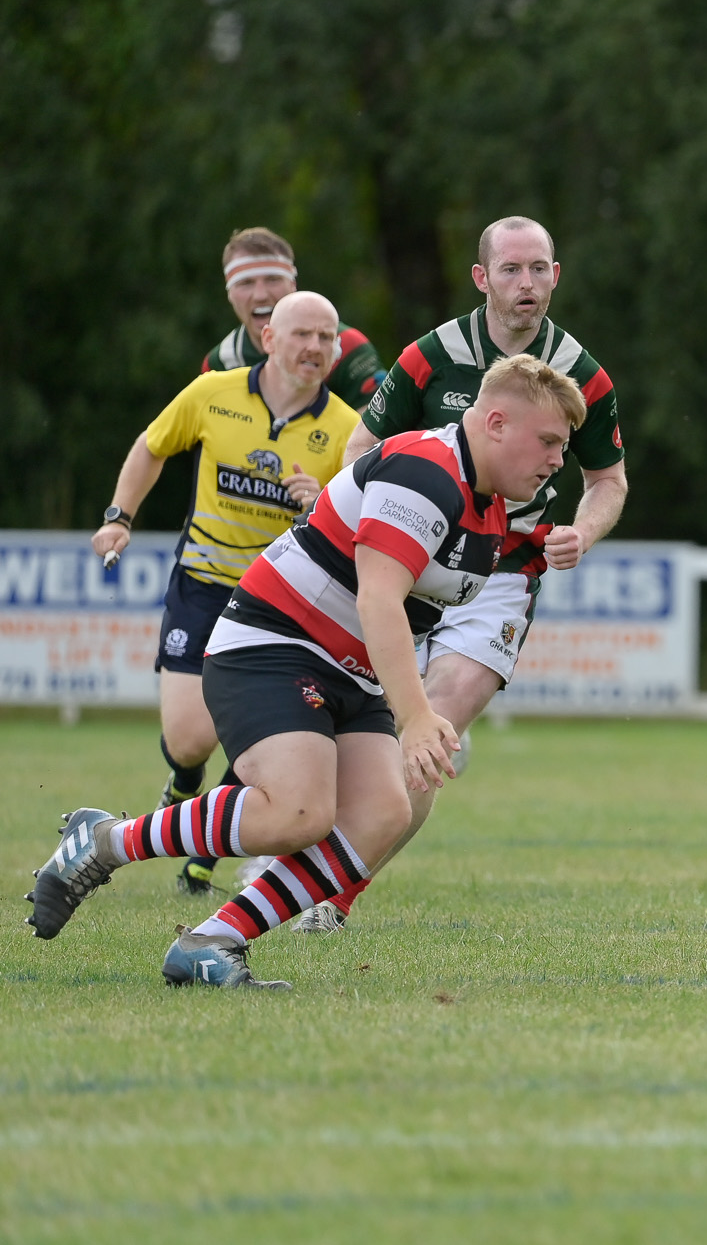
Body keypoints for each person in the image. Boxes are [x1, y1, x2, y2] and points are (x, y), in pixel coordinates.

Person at [29, 355, 584, 988]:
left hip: (346, 669)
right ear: (494, 422)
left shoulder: (487, 504)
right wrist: (417, 715)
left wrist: (548, 544)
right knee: (297, 814)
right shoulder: (427, 471)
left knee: (383, 814)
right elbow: (378, 598)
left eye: (562, 448)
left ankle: (212, 942)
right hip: (275, 642)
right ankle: (104, 841)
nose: (555, 460)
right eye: (548, 441)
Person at [321, 216, 626, 932]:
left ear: (557, 275)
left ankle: (331, 897)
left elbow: (609, 480)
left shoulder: (583, 372)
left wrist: (583, 528)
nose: (527, 284)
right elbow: (363, 445)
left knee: (435, 725)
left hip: (505, 569)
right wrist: (373, 532)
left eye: (540, 269)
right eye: (512, 269)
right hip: (413, 560)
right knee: (364, 727)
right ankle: (297, 852)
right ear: (481, 278)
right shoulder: (432, 356)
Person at [88, 291, 361, 897]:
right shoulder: (213, 394)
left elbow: (358, 530)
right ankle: (187, 783)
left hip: (286, 602)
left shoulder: (347, 430)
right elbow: (151, 446)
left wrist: (321, 505)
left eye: (327, 337)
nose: (315, 347)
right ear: (268, 338)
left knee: (263, 730)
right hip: (206, 586)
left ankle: (203, 854)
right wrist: (118, 517)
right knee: (189, 739)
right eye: (302, 334)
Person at [203, 228, 385, 407]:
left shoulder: (347, 346)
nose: (260, 295)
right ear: (229, 293)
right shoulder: (219, 363)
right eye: (246, 283)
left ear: (292, 285)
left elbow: (378, 430)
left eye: (272, 280)